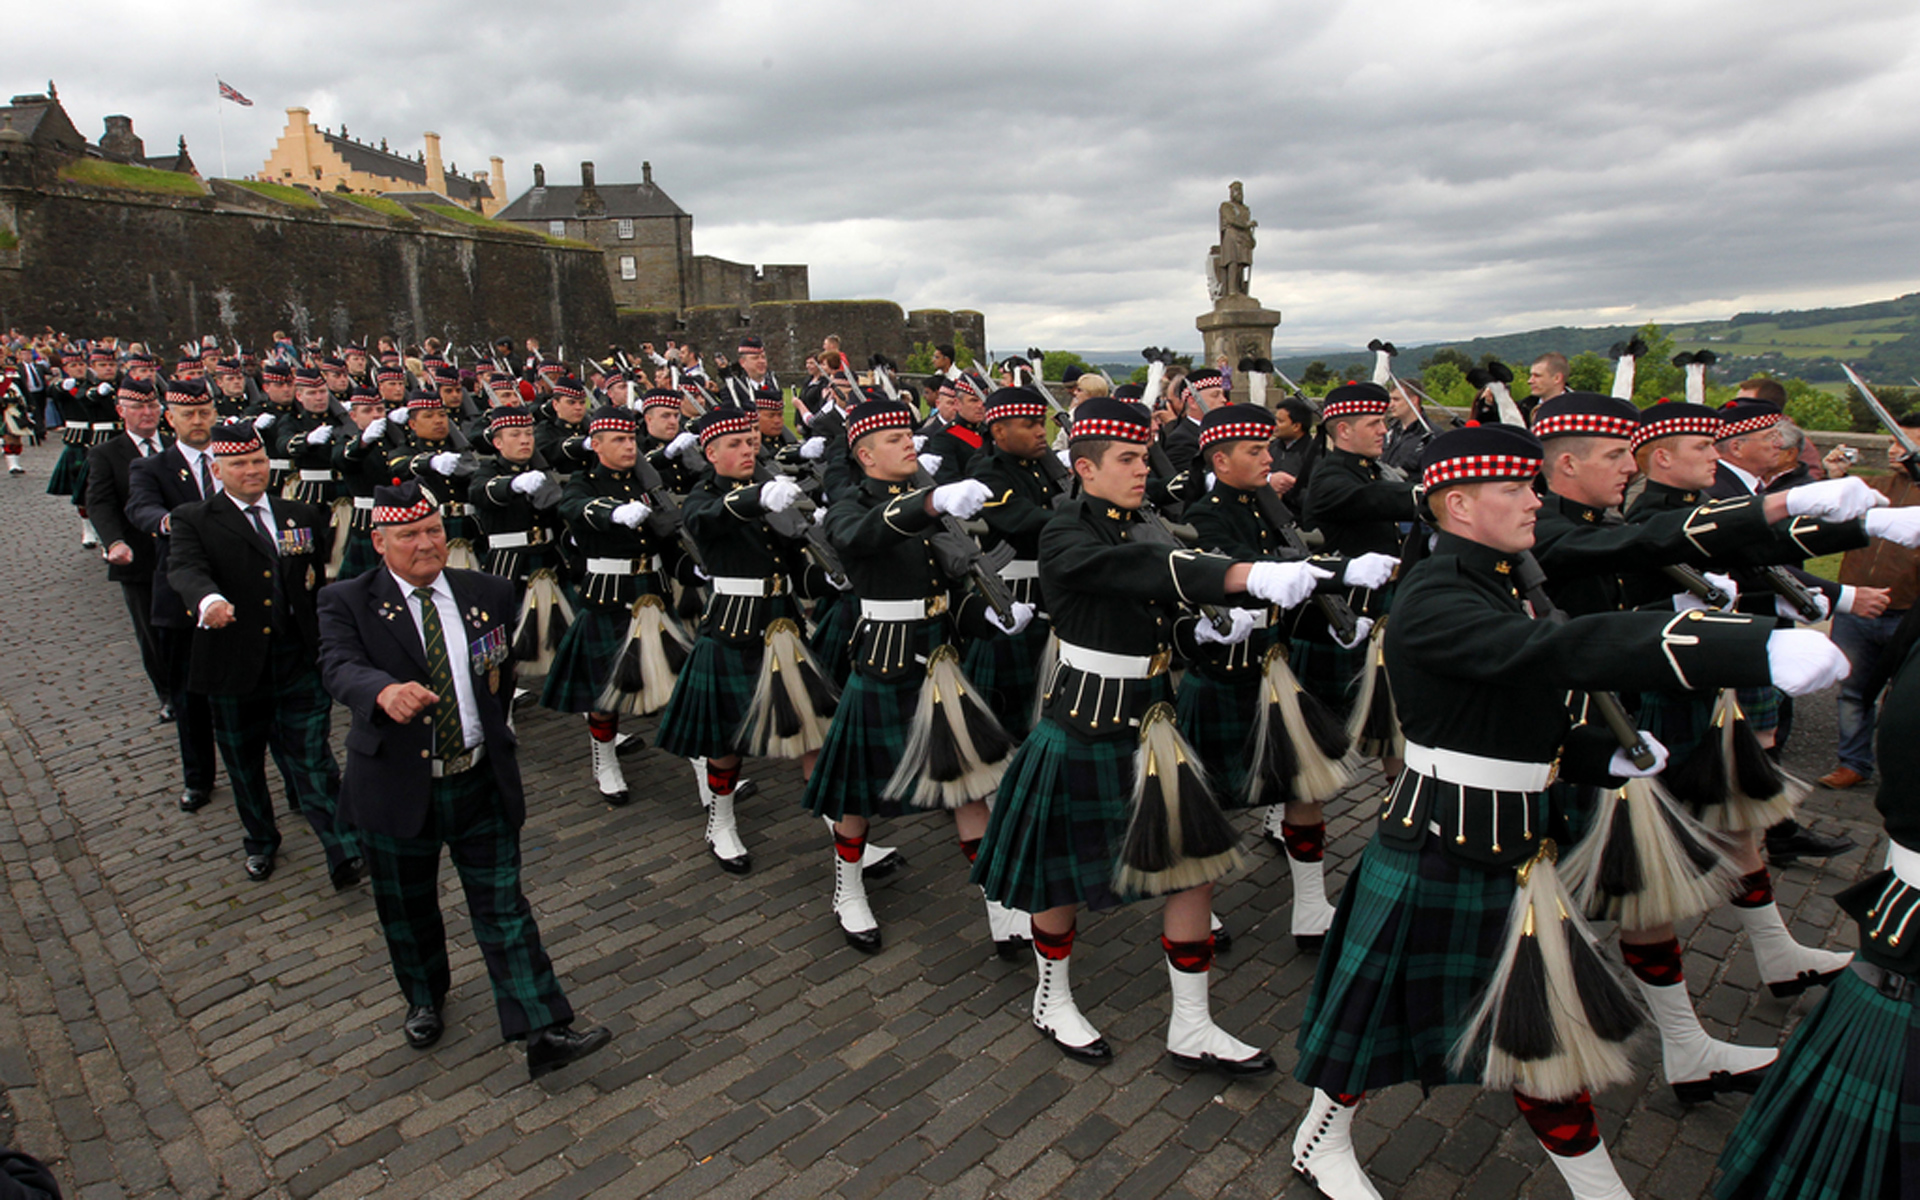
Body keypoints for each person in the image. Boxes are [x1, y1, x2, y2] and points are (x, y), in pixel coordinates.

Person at [1289, 423, 1848, 1200]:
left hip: (1516, 839)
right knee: (1372, 1011)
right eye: (1514, 489)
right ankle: (1319, 1138)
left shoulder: (1500, 577)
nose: (1533, 500)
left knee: (1542, 1030)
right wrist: (1734, 645)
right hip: (1441, 838)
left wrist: (1594, 756)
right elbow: (1549, 655)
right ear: (1457, 505)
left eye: (1531, 485)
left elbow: (1510, 707)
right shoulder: (1434, 594)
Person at [972, 396, 1330, 1073]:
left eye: (1145, 456)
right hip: (1084, 723)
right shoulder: (1064, 532)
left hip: (1155, 724)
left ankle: (1191, 1024)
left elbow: (1160, 595)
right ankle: (1052, 998)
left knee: (1193, 873)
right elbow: (1138, 573)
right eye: (1129, 459)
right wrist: (1243, 576)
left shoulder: (1146, 524)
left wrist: (1195, 631)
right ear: (1086, 467)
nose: (1144, 470)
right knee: (1060, 879)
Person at [316, 482, 613, 1080]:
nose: (425, 545)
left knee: (503, 906)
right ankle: (425, 996)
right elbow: (336, 664)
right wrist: (381, 691)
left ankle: (543, 1027)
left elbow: (497, 670)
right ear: (379, 542)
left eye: (432, 531)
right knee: (407, 906)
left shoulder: (490, 591)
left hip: (478, 777)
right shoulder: (346, 599)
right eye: (408, 535)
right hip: (398, 783)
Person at [799, 396, 1030, 954]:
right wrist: (928, 503)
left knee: (969, 787)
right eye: (895, 438)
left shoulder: (926, 507)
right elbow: (860, 538)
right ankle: (848, 889)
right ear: (865, 455)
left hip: (941, 665)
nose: (910, 442)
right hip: (884, 665)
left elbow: (948, 594)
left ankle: (999, 907)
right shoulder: (851, 509)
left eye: (909, 433)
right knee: (858, 794)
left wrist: (992, 616)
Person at [1176, 404, 1396, 951]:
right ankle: (1198, 906)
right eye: (1255, 450)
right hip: (1223, 676)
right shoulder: (1205, 516)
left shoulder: (1266, 504)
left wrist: (1336, 619)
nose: (1268, 457)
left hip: (1275, 665)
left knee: (1305, 785)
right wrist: (1340, 572)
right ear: (1220, 460)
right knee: (1207, 802)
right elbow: (1259, 573)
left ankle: (1310, 903)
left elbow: (1292, 578)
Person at [165, 421, 360, 886]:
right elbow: (186, 570)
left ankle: (344, 848)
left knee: (314, 758)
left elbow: (317, 584)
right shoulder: (195, 518)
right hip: (233, 663)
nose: (252, 471)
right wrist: (208, 601)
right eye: (239, 464)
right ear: (217, 469)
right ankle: (260, 840)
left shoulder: (300, 514)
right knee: (244, 762)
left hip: (296, 659)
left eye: (257, 461)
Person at [126, 379, 221, 813]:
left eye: (204, 412)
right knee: (188, 694)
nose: (198, 421)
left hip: (238, 590)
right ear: (171, 418)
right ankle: (198, 777)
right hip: (182, 597)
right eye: (188, 414)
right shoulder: (152, 468)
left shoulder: (233, 458)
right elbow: (140, 509)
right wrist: (174, 524)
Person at [1814, 416, 1920, 789]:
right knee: (1853, 692)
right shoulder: (1877, 486)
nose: (1894, 450)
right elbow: (1833, 511)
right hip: (1857, 607)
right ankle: (1853, 763)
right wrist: (1836, 478)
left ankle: (1901, 769)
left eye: (1904, 443)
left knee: (1906, 699)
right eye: (1892, 441)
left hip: (1909, 613)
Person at [85, 377, 169, 718]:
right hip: (140, 556)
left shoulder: (178, 445)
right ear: (121, 411)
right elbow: (100, 503)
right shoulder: (106, 453)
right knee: (153, 631)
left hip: (184, 553)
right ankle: (168, 695)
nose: (147, 413)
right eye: (138, 407)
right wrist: (114, 542)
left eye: (152, 406)